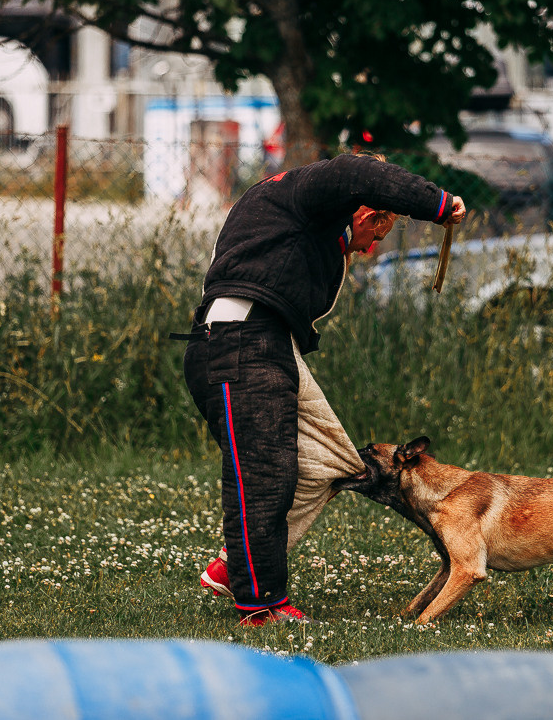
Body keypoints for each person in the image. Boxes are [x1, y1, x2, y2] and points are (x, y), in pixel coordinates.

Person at [177, 151, 465, 625]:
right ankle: (259, 603)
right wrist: (436, 203)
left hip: (269, 344)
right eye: (379, 232)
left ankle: (235, 568)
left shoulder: (304, 216)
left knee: (334, 462)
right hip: (239, 342)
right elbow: (359, 171)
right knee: (262, 478)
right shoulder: (301, 192)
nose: (371, 247)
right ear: (368, 211)